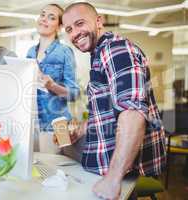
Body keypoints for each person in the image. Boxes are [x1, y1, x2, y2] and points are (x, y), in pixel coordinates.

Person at [62, 2, 166, 199]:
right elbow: (109, 110)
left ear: (99, 21)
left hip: (120, 174)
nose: (75, 33)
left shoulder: (116, 50)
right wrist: (83, 128)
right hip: (107, 169)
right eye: (69, 29)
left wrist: (113, 178)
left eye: (80, 23)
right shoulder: (99, 55)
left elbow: (133, 112)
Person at [26, 4, 80, 153]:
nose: (44, 20)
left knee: (58, 169)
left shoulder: (64, 52)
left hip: (58, 124)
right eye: (43, 15)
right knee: (37, 170)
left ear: (59, 26)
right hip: (33, 124)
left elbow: (74, 94)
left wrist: (52, 86)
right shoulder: (30, 52)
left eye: (51, 17)